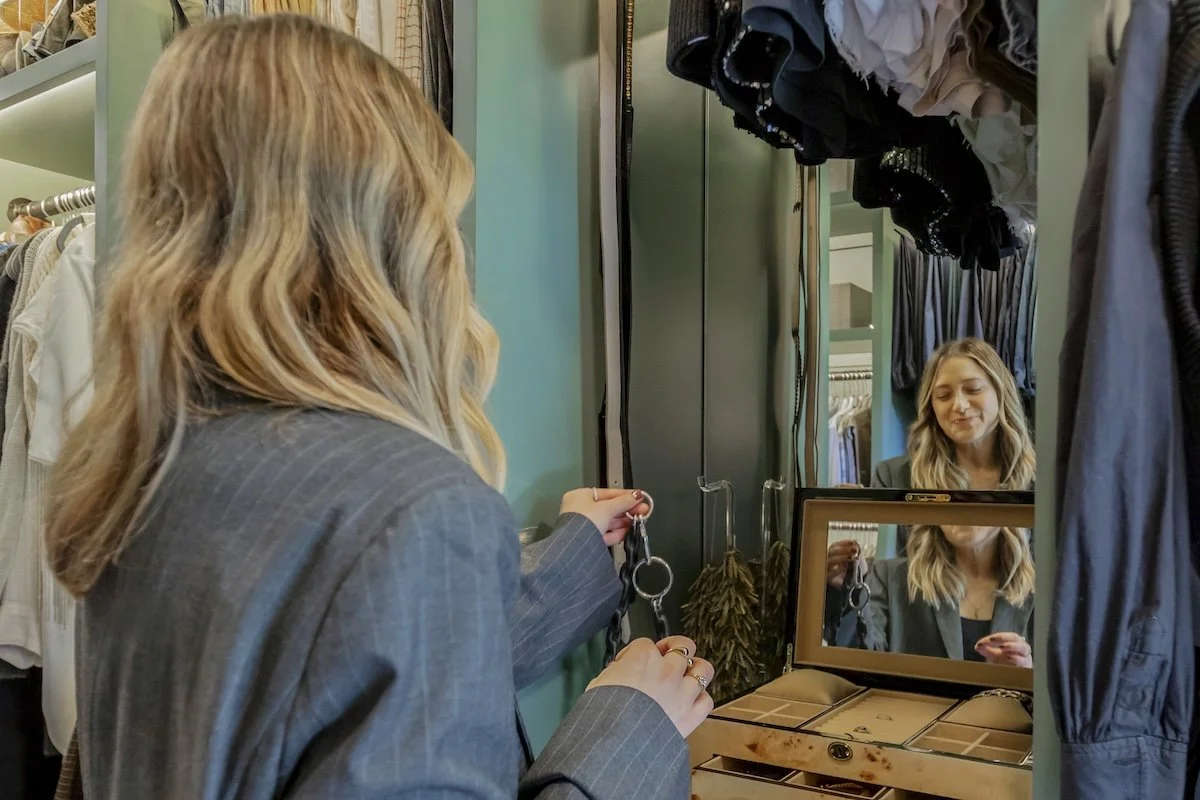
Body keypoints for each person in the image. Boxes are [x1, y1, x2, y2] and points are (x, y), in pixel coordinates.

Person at [44, 15, 713, 799]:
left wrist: (571, 555)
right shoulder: (413, 507)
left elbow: (338, 665)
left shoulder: (140, 471)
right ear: (394, 234)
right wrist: (627, 732)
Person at [868, 337, 1036, 553]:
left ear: (1001, 392)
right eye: (944, 395)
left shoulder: (1041, 481)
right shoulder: (894, 478)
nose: (960, 405)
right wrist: (851, 569)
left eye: (973, 389)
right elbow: (888, 567)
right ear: (931, 407)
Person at [858, 524, 1034, 667]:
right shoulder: (891, 578)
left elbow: (1047, 689)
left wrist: (1026, 678)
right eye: (952, 495)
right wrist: (850, 587)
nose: (962, 506)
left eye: (975, 496)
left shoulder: (1041, 594)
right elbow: (862, 661)